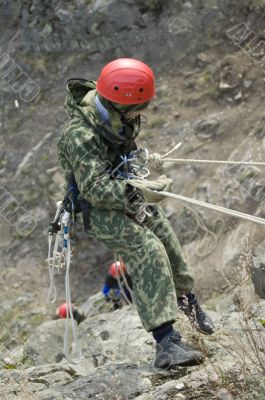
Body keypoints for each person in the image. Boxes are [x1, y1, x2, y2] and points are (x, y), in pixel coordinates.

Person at [57, 58, 215, 369]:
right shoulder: (81, 135)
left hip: (122, 191)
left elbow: (121, 156)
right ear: (117, 102)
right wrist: (138, 192)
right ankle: (166, 343)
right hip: (96, 208)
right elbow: (94, 188)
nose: (138, 113)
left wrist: (143, 162)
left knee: (166, 238)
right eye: (135, 107)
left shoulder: (114, 118)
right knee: (148, 250)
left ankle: (187, 302)